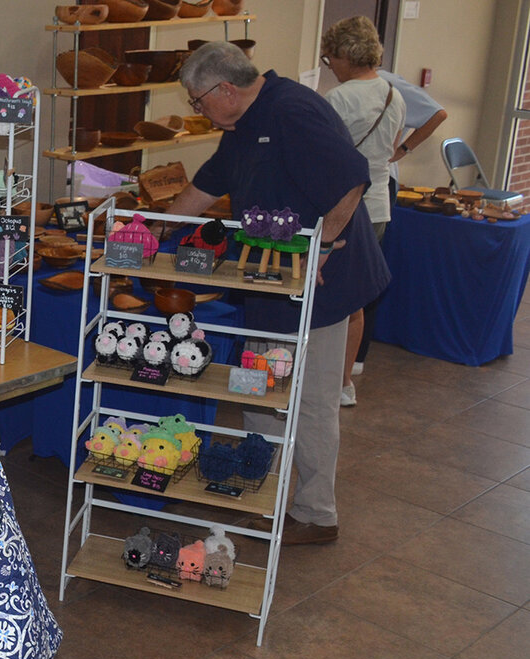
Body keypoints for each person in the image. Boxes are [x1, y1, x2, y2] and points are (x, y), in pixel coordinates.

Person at [167, 42, 390, 546]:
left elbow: (353, 180)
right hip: (269, 278)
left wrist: (325, 248)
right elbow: (206, 185)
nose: (197, 111)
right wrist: (149, 234)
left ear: (227, 88)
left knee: (308, 401)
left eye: (197, 101)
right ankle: (260, 493)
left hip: (321, 281)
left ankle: (316, 514)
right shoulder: (240, 124)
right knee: (258, 391)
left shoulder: (293, 110)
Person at [321, 15, 404, 407]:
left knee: (333, 296)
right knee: (356, 300)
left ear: (344, 55)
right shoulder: (394, 95)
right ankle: (344, 383)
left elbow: (319, 155)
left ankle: (323, 378)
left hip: (346, 207)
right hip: (380, 206)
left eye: (329, 58)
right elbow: (391, 150)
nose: (330, 66)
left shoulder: (339, 99)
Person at [356, 67, 447, 377]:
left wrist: (403, 149)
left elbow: (437, 114)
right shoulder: (344, 89)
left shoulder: (389, 83)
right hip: (352, 183)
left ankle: (356, 356)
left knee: (365, 270)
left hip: (379, 185)